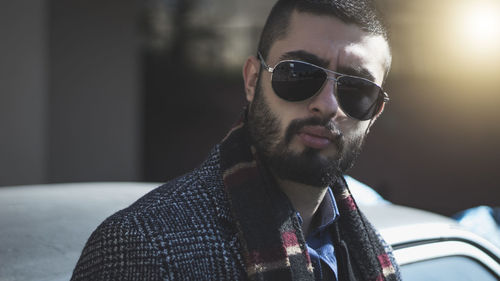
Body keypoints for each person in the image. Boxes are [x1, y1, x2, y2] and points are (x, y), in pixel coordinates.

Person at [71, 0, 400, 280]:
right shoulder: (141, 248)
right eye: (299, 73)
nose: (327, 105)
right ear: (253, 80)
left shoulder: (379, 257)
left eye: (358, 90)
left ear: (376, 112)